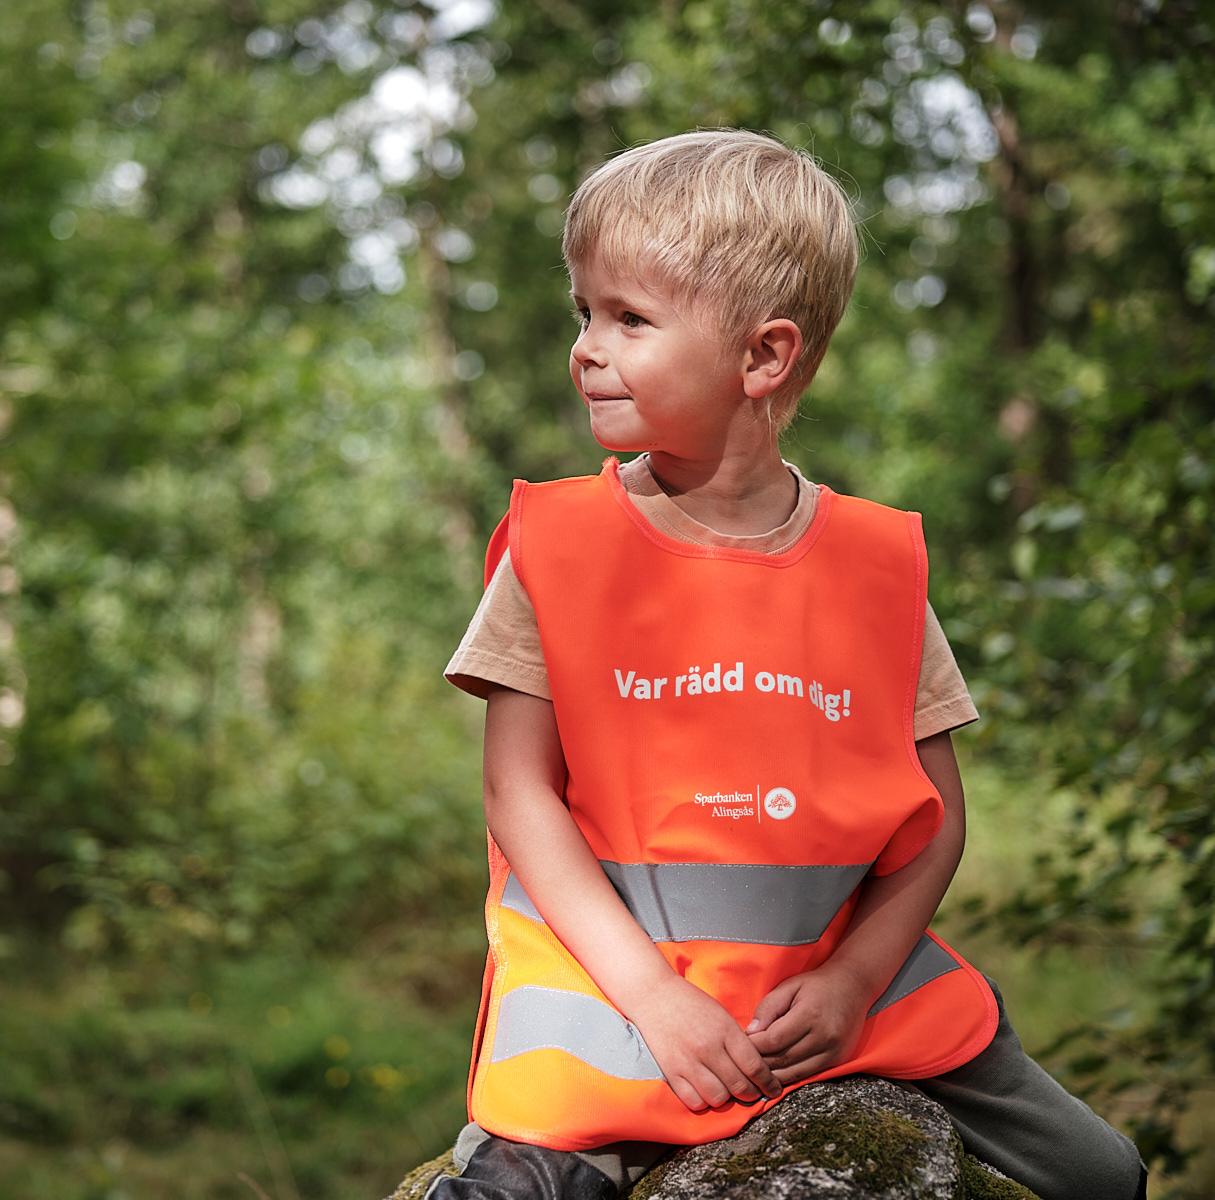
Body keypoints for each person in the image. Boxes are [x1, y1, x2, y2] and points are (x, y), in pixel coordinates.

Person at [431, 130, 1145, 1200]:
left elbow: (936, 819)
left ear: (762, 356)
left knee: (1103, 1177)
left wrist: (855, 981)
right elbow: (513, 791)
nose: (583, 346)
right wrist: (651, 1001)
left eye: (628, 318)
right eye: (583, 312)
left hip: (844, 1010)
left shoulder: (872, 566)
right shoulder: (558, 544)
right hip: (609, 1002)